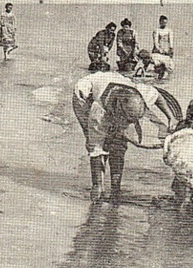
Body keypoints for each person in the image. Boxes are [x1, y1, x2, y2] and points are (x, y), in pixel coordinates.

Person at [72, 68, 178, 201]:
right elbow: (95, 150)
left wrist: (170, 117)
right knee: (101, 144)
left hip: (118, 82)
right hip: (84, 94)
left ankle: (115, 188)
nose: (130, 124)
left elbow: (157, 96)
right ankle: (99, 184)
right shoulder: (98, 113)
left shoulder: (141, 93)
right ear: (118, 112)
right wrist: (96, 185)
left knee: (119, 145)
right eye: (127, 120)